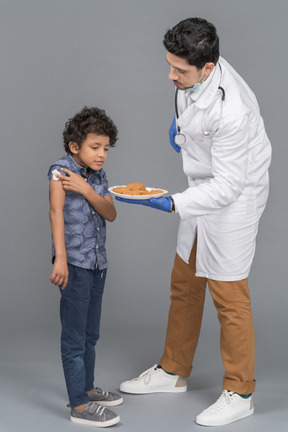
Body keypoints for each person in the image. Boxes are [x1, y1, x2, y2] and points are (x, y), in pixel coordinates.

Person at [116, 18, 272, 427]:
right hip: (204, 181)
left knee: (229, 293)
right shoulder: (196, 70)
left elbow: (227, 187)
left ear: (207, 68)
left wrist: (172, 204)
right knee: (185, 280)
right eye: (169, 65)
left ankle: (241, 393)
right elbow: (188, 100)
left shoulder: (233, 110)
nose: (171, 76)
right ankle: (173, 372)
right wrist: (182, 126)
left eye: (180, 71)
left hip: (234, 195)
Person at [48, 106, 123, 427]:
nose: (102, 154)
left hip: (97, 264)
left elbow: (110, 212)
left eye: (106, 148)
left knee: (91, 335)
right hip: (75, 264)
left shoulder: (98, 176)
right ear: (74, 146)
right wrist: (60, 258)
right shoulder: (60, 171)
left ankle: (88, 388)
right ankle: (78, 406)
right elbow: (55, 212)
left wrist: (87, 189)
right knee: (75, 338)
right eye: (95, 147)